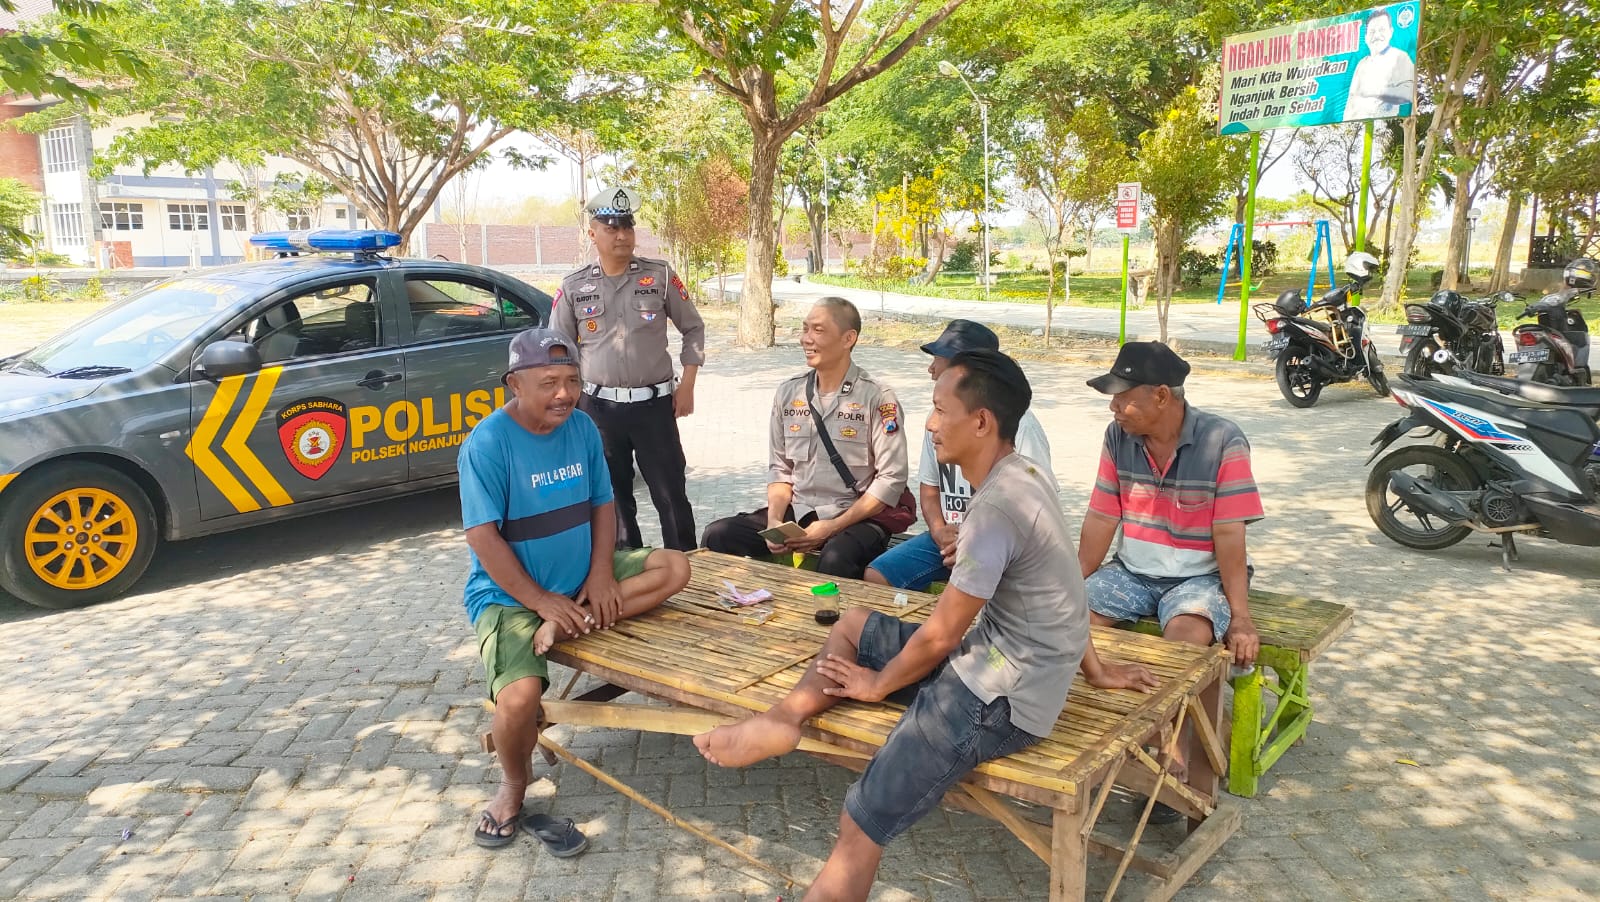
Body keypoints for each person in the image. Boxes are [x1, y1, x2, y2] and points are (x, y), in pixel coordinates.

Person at [693, 350, 1159, 901]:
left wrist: (877, 684)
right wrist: (1098, 670)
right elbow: (1064, 596)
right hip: (990, 659)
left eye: (941, 410)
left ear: (981, 422)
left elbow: (940, 635)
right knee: (854, 620)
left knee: (862, 818)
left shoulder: (997, 509)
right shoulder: (1026, 476)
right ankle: (784, 719)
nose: (932, 424)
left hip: (1001, 699)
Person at [459, 327, 691, 851]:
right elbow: (483, 538)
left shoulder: (583, 427)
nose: (564, 394)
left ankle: (569, 623)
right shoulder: (489, 443)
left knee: (675, 567)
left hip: (583, 580)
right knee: (518, 700)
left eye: (571, 381)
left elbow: (602, 504)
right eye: (549, 383)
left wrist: (602, 574)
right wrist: (541, 603)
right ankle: (514, 784)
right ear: (515, 385)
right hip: (513, 597)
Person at [1078, 341, 1263, 814]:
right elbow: (1102, 517)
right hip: (1133, 571)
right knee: (1070, 624)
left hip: (1198, 578)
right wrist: (1071, 585)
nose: (1114, 406)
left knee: (1182, 645)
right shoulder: (1117, 437)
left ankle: (1170, 749)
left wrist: (1240, 618)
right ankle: (1092, 737)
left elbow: (1229, 533)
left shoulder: (1223, 440)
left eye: (1123, 395)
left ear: (1162, 396)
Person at [701, 297, 909, 579]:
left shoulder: (877, 397)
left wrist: (833, 526)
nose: (805, 339)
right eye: (804, 329)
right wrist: (774, 519)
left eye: (818, 331)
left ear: (849, 338)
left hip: (855, 517)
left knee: (836, 558)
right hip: (798, 513)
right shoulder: (789, 393)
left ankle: (834, 622)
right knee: (718, 535)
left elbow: (891, 479)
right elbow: (780, 469)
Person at [552, 186, 705, 552]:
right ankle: (630, 574)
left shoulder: (660, 276)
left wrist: (688, 385)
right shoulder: (574, 286)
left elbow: (693, 328)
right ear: (593, 234)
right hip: (598, 410)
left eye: (627, 227)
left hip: (655, 406)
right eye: (611, 228)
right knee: (614, 501)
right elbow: (558, 349)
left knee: (671, 496)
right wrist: (569, 403)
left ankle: (689, 568)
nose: (622, 235)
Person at [865, 320, 1053, 591]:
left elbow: (1036, 508)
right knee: (877, 576)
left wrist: (977, 544)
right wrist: (939, 530)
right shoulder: (940, 420)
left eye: (939, 360)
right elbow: (929, 489)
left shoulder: (1020, 426)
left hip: (1000, 544)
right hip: (948, 538)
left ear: (963, 371)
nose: (931, 369)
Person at [1344, 8, 1415, 120]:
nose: (1376, 35)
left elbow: (1409, 92)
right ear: (1366, 37)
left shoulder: (1400, 57)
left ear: (1390, 32)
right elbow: (1351, 101)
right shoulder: (1362, 64)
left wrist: (1376, 91)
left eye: (1382, 30)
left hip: (1384, 123)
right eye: (1372, 32)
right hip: (1358, 126)